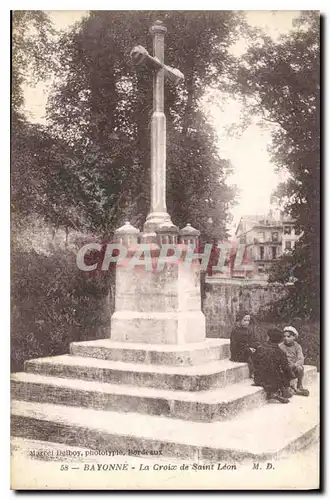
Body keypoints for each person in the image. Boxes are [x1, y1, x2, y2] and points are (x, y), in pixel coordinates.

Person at [253, 328, 294, 404]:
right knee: (281, 372)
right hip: (274, 379)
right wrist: (291, 377)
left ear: (268, 337)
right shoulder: (281, 352)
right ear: (280, 340)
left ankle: (277, 392)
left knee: (273, 370)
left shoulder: (260, 348)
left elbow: (255, 362)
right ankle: (281, 390)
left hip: (258, 378)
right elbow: (286, 369)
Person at [279, 326, 310, 397]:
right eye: (284, 336)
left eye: (288, 336)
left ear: (294, 337)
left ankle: (299, 385)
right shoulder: (280, 346)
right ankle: (289, 388)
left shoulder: (297, 346)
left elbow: (301, 358)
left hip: (293, 367)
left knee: (300, 368)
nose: (286, 338)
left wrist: (295, 365)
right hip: (285, 368)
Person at [230, 311, 259, 376]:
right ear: (239, 320)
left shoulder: (248, 330)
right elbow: (237, 346)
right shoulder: (236, 331)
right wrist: (248, 349)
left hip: (247, 349)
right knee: (251, 358)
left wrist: (254, 346)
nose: (247, 322)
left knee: (259, 351)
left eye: (248, 320)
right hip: (238, 353)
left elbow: (252, 340)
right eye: (245, 320)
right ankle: (254, 373)